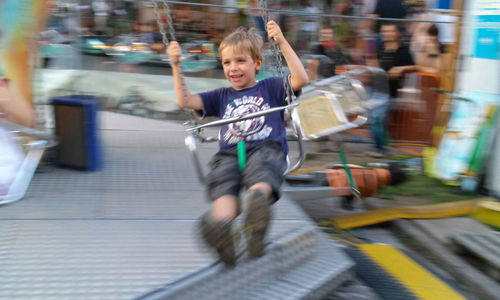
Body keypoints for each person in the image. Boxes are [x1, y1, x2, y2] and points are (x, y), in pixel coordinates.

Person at [167, 21, 308, 266]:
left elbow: (300, 78)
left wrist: (282, 42)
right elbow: (186, 101)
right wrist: (176, 65)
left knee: (262, 166)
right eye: (227, 63)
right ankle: (220, 227)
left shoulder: (271, 87)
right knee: (223, 179)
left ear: (257, 63)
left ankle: (257, 205)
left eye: (240, 61)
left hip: (266, 146)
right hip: (230, 154)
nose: (233, 68)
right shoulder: (221, 95)